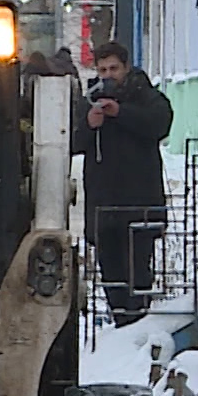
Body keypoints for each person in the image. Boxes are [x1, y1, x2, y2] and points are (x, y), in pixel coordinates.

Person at [71, 40, 173, 326]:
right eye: (102, 69)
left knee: (138, 275)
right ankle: (120, 330)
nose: (108, 75)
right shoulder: (89, 99)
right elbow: (72, 143)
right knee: (112, 277)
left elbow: (159, 124)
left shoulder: (145, 95)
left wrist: (121, 113)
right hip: (104, 209)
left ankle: (138, 328)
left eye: (114, 68)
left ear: (126, 68)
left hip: (139, 204)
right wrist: (88, 126)